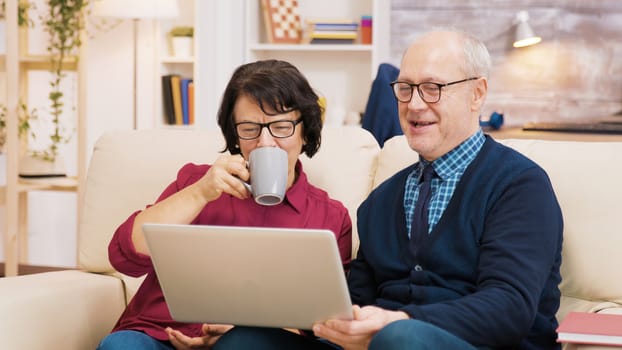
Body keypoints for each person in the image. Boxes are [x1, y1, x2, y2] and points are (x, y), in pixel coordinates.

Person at [214, 29, 564, 350]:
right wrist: (326, 324)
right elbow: (357, 302)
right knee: (245, 340)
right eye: (405, 88)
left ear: (477, 93)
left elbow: (510, 307)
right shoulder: (381, 201)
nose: (413, 104)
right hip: (381, 343)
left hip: (470, 345)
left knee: (400, 338)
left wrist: (400, 321)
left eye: (432, 88)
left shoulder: (519, 185)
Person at [96, 59, 352, 350]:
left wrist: (238, 332)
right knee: (120, 346)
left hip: (251, 343)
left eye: (281, 126)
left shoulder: (330, 216)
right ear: (234, 133)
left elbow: (325, 324)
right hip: (161, 335)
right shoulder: (196, 182)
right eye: (249, 129)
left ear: (305, 131)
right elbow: (123, 258)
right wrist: (200, 193)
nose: (265, 142)